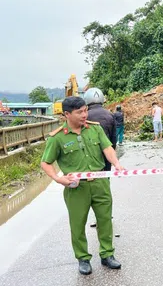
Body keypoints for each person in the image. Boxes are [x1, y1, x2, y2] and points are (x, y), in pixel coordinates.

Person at [40, 97, 124, 275]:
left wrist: (116, 163)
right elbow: (46, 163)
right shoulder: (58, 138)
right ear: (66, 114)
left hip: (100, 183)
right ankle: (83, 258)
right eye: (80, 112)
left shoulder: (95, 128)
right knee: (77, 224)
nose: (85, 115)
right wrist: (57, 178)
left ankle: (107, 254)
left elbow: (107, 148)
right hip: (76, 188)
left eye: (85, 110)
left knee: (105, 220)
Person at [84, 87, 117, 228]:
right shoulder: (110, 115)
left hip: (89, 158)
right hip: (106, 157)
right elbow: (113, 140)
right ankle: (105, 216)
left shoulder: (85, 116)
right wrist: (112, 156)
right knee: (105, 186)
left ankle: (96, 217)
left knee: (90, 188)